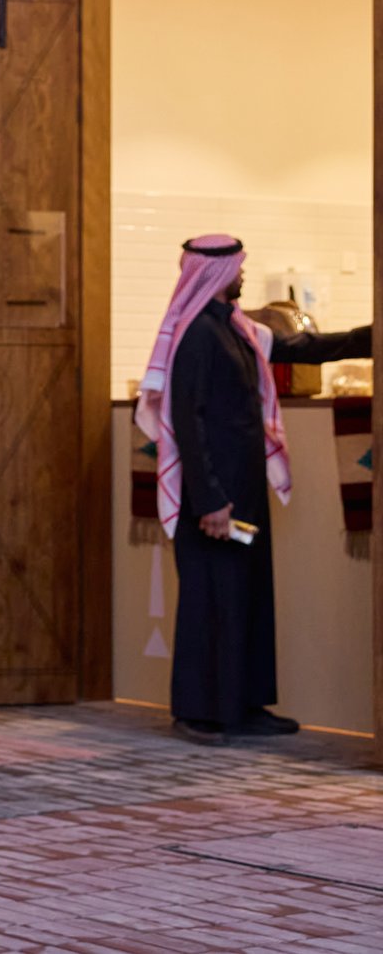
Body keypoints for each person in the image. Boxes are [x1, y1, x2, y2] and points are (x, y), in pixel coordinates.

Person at [137, 235, 371, 744]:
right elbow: (188, 423)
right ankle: (198, 712)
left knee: (247, 593)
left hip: (243, 488)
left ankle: (245, 705)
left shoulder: (238, 329)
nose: (244, 275)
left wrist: (368, 336)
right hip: (213, 496)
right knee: (209, 599)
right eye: (238, 269)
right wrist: (209, 501)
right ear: (216, 275)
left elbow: (305, 347)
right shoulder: (195, 335)